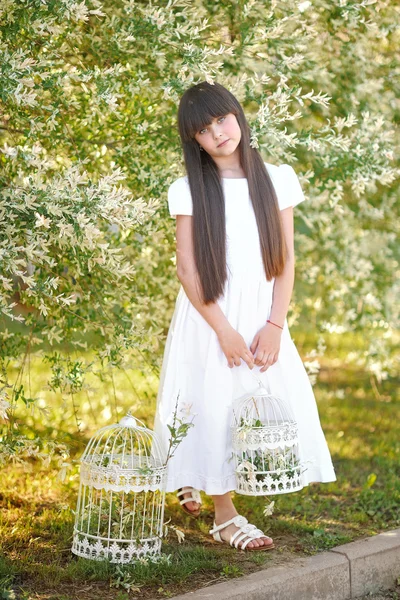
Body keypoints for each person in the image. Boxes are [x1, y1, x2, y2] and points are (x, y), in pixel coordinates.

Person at [153, 81, 336, 551]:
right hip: (212, 315)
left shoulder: (277, 178)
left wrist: (274, 326)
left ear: (238, 116)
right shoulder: (188, 189)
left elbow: (287, 259)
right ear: (193, 140)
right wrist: (223, 330)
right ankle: (225, 514)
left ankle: (193, 474)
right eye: (204, 129)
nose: (218, 133)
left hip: (261, 313)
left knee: (253, 400)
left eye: (222, 119)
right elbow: (187, 266)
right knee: (213, 399)